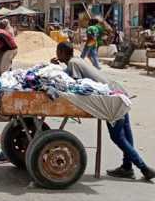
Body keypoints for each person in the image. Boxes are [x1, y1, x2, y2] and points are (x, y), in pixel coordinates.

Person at [52, 42, 155, 181]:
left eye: (58, 52)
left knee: (117, 136)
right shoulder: (78, 60)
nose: (57, 55)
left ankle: (143, 168)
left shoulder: (72, 64)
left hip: (110, 99)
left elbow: (73, 84)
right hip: (119, 93)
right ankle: (127, 167)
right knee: (125, 133)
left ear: (63, 52)